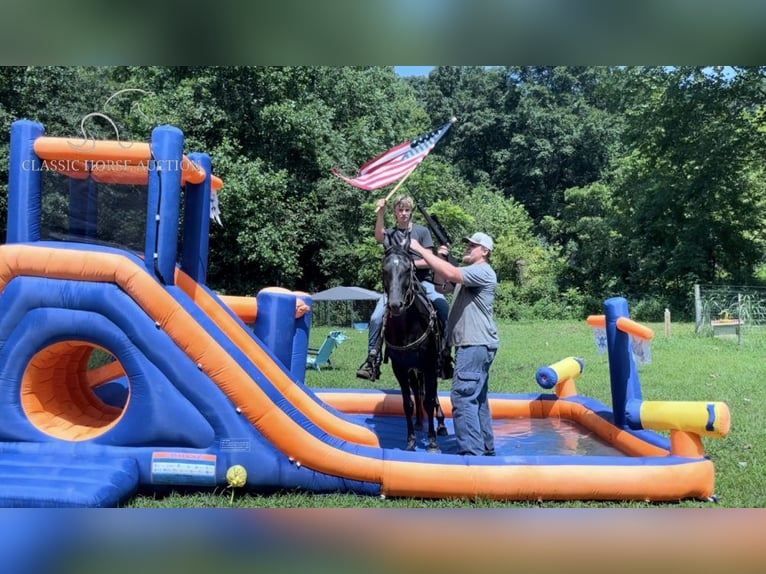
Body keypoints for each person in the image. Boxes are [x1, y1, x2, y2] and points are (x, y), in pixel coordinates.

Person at [409, 232, 498, 456]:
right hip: (477, 343)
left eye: (473, 246)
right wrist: (441, 258)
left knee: (462, 396)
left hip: (474, 343)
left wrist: (421, 250)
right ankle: (486, 449)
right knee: (477, 397)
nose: (468, 247)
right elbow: (442, 286)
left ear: (485, 252)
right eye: (467, 244)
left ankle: (472, 453)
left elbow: (450, 273)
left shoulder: (481, 271)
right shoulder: (471, 273)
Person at [356, 194, 449, 381]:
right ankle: (372, 359)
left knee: (444, 308)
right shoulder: (390, 233)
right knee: (375, 317)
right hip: (396, 287)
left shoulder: (422, 232)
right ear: (395, 213)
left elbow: (428, 260)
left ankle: (445, 356)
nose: (404, 213)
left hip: (422, 282)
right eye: (400, 210)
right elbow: (378, 236)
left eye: (407, 210)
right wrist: (380, 213)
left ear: (411, 212)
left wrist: (410, 264)